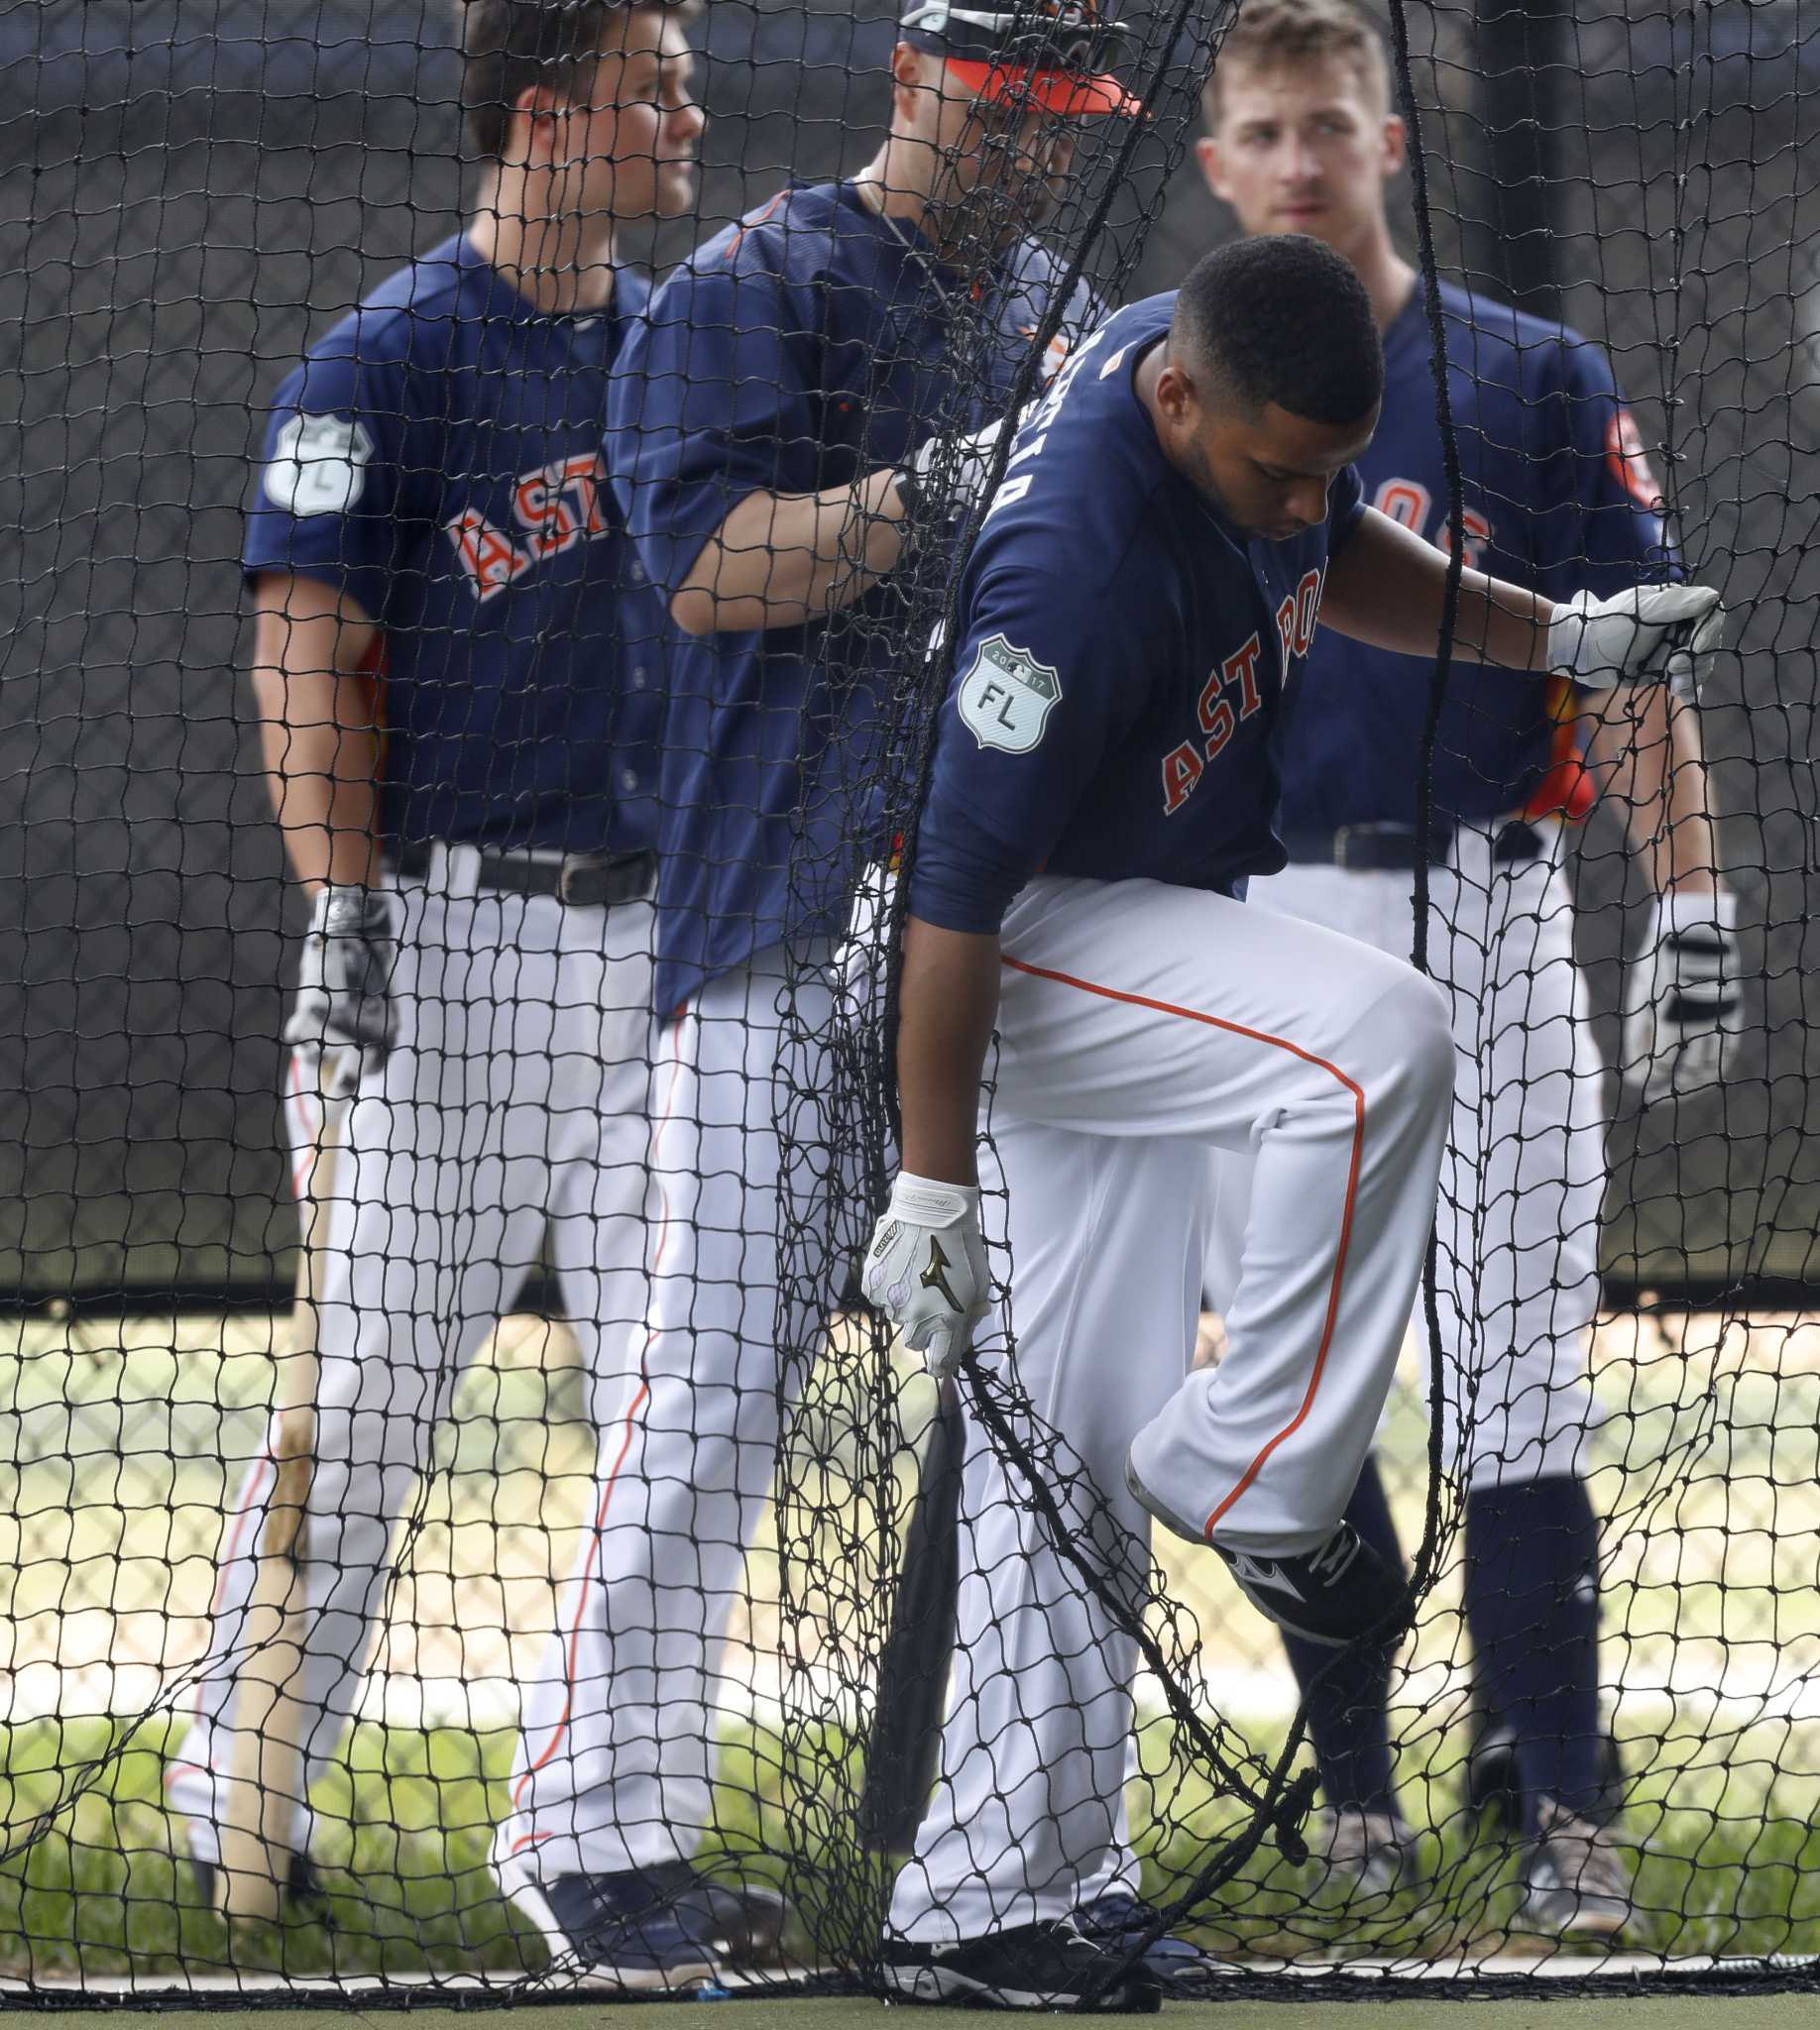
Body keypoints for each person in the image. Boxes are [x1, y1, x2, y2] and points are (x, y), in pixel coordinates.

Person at [859, 233, 1718, 2008]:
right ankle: (1256, 1467)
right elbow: (949, 893)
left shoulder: (1220, 403)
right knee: (1373, 1037)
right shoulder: (1066, 571)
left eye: (1331, 464)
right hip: (1008, 941)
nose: (1305, 503)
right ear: (1177, 399)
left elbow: (1338, 544)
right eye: (1280, 466)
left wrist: (1556, 634)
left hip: (1110, 910)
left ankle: (1001, 1891)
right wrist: (928, 1186)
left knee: (1071, 1430)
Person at [487, 0, 1140, 1989]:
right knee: (714, 1395)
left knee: (1060, 1397)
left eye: (1064, 111)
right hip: (775, 913)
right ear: (915, 82)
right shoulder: (754, 286)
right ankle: (590, 1838)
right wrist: (949, 488)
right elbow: (711, 572)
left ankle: (1024, 1869)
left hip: (992, 922)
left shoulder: (1066, 297)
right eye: (1006, 103)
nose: (1035, 141)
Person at [1190, 0, 1738, 1936]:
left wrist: (1691, 898)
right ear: (1217, 164)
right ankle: (1354, 1791)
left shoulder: (1526, 371)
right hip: (1257, 931)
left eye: (1333, 123)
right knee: (1292, 1399)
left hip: (1496, 914)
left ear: (1391, 141)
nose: (1303, 160)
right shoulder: (1171, 392)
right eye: (1266, 130)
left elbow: (1634, 649)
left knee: (1519, 1389)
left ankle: (1557, 1799)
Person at [166, 0, 703, 1923]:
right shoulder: (386, 360)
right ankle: (242, 1796)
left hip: (662, 949)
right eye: (655, 84)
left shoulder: (679, 357)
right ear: (549, 120)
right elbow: (299, 643)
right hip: (445, 947)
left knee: (682, 1396)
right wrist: (344, 902)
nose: (687, 112)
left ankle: (616, 1831)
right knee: (373, 1402)